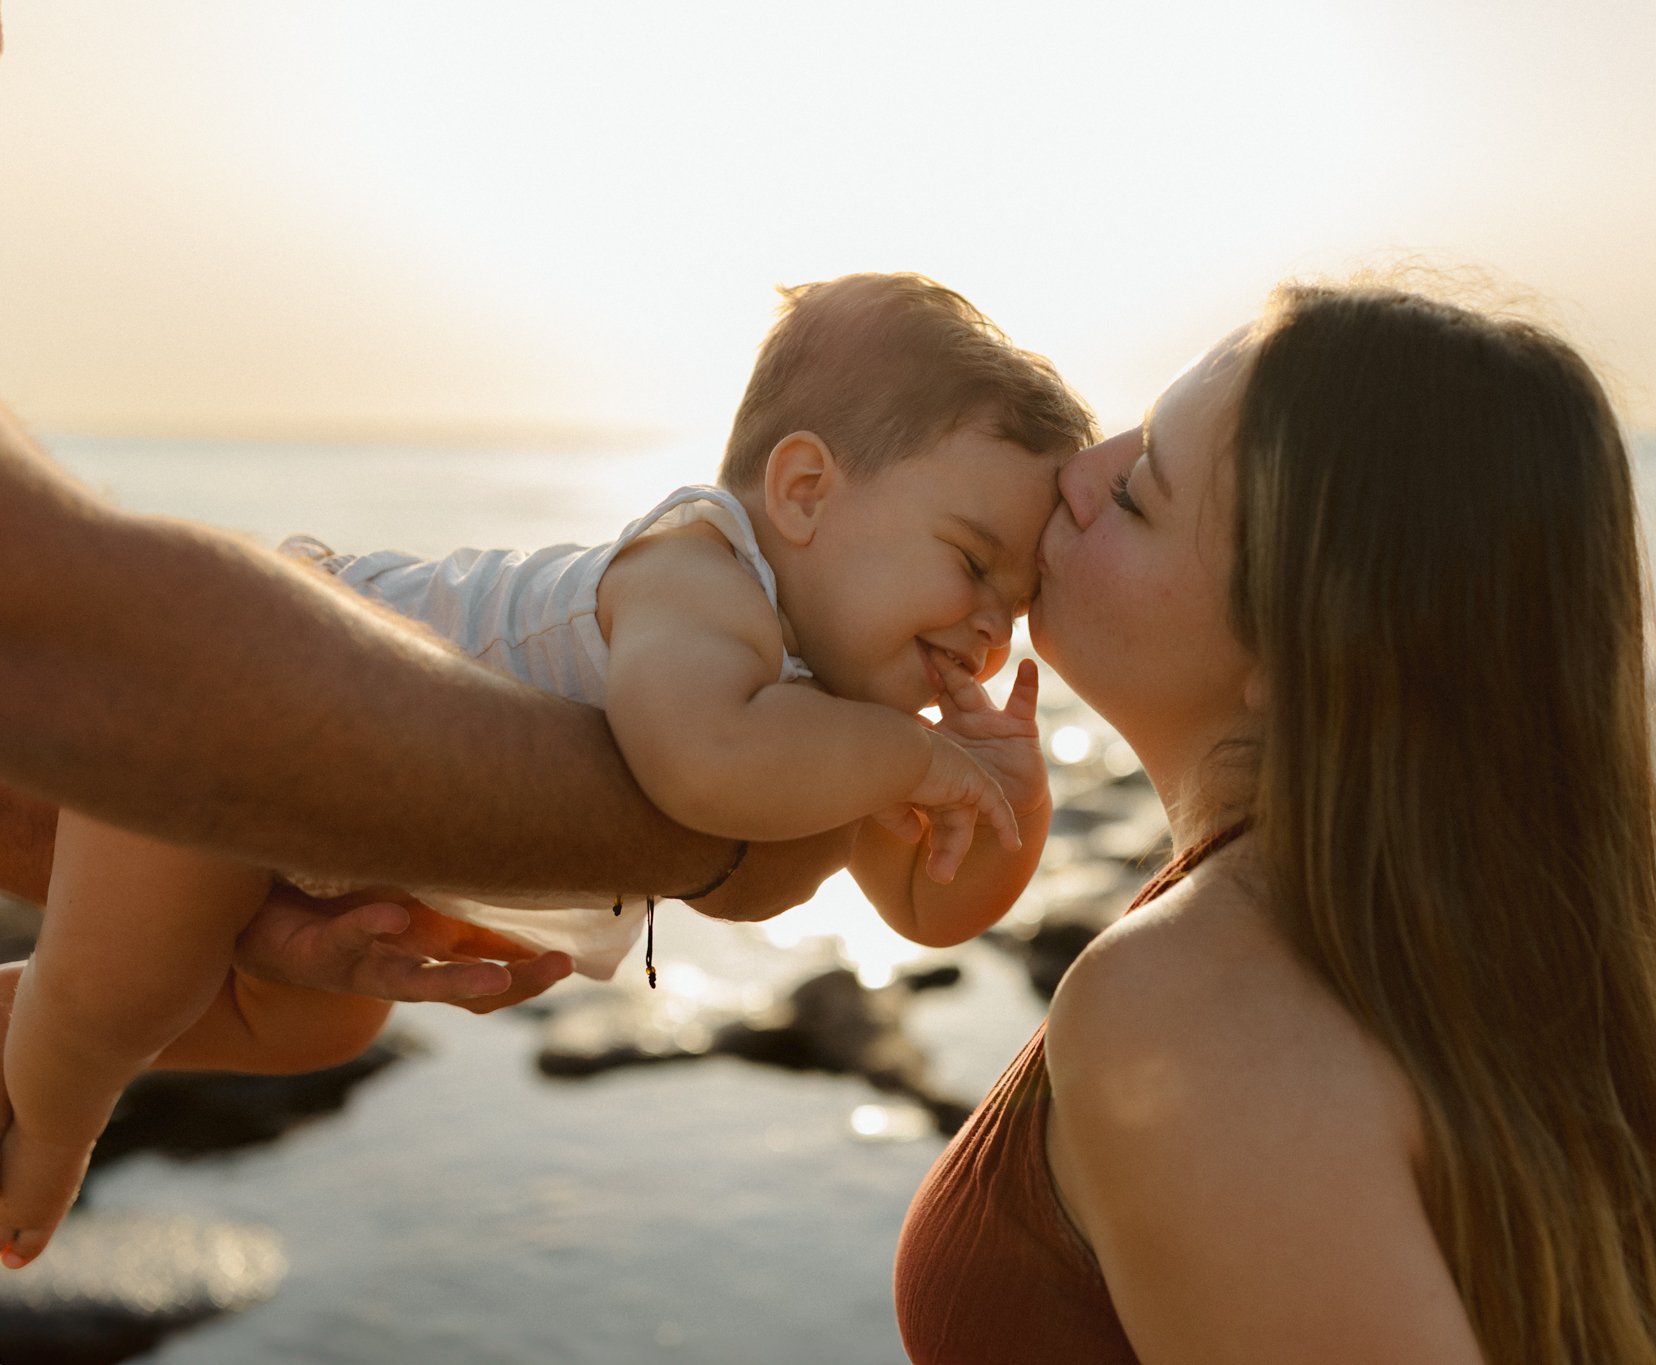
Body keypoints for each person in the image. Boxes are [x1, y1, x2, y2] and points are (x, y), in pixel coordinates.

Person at [0, 273, 1096, 1270]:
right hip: (243, 703)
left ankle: (23, 1020)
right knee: (108, 1003)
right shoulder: (699, 572)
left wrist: (1006, 804)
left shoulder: (834, 717)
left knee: (319, 1025)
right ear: (803, 491)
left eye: (1013, 605)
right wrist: (911, 758)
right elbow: (701, 764)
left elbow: (920, 908)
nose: (986, 628)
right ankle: (50, 1122)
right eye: (967, 562)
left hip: (335, 828)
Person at [895, 278, 1656, 1362]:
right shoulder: (1490, 977)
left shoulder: (1189, 1013)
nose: (1076, 472)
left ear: (1300, 649)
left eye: (1141, 489)